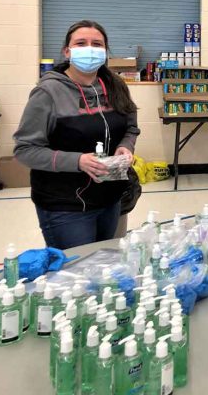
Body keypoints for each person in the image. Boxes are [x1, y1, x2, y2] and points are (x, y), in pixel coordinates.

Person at [14, 20, 140, 249]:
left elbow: (131, 127)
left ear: (105, 51)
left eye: (97, 44)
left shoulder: (116, 85)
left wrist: (126, 146)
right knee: (78, 275)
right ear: (67, 51)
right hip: (66, 206)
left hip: (111, 199)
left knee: (106, 269)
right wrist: (77, 161)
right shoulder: (48, 91)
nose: (90, 49)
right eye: (81, 43)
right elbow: (25, 150)